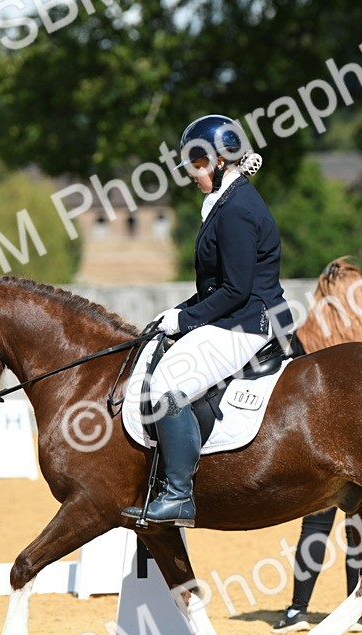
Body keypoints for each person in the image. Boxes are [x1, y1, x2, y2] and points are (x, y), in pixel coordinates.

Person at [122, 114, 293, 527]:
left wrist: (186, 319)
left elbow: (235, 289)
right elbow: (217, 285)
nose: (192, 175)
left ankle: (179, 494)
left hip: (250, 322)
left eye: (196, 166)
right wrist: (179, 311)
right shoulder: (226, 203)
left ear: (218, 162)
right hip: (236, 315)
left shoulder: (236, 210)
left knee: (169, 381)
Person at [272, 258, 362, 634]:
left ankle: (297, 610)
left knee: (314, 526)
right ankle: (354, 609)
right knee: (360, 526)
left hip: (321, 444)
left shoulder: (305, 336)